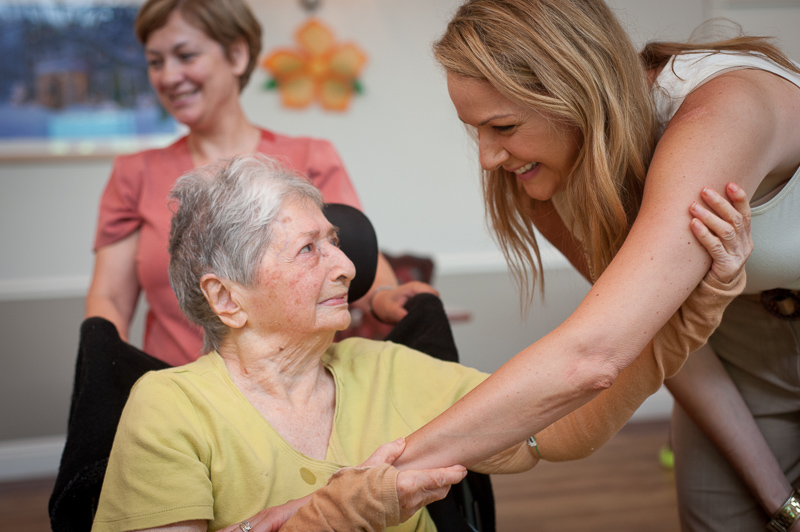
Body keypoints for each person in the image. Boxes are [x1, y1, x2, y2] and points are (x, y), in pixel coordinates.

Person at [90, 153, 747, 532]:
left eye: (337, 245)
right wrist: (331, 519)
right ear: (227, 297)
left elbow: (563, 428)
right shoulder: (168, 409)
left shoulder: (390, 370)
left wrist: (693, 315)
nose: (347, 267)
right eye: (308, 249)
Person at [380, 1, 798, 531]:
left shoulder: (723, 112)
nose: (487, 158)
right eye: (475, 130)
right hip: (733, 344)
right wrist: (781, 501)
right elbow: (658, 342)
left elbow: (591, 354)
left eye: (503, 126)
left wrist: (373, 479)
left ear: (574, 91)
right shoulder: (542, 182)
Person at [85, 0, 433, 367]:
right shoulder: (134, 173)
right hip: (178, 392)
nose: (168, 76)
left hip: (297, 389)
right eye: (156, 62)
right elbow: (110, 299)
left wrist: (386, 299)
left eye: (185, 55)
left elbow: (353, 261)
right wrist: (110, 375)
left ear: (236, 55)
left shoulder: (310, 158)